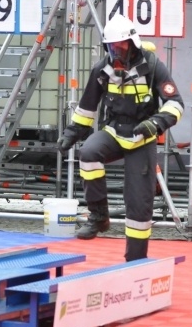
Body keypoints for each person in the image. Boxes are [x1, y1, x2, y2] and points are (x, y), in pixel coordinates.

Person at [58, 14, 184, 262]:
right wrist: (71, 133)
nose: (116, 51)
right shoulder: (102, 69)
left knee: (139, 203)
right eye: (112, 46)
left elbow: (175, 104)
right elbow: (86, 108)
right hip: (114, 131)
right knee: (89, 153)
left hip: (142, 138)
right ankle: (98, 216)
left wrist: (155, 124)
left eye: (121, 46)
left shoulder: (153, 65)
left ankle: (135, 262)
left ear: (133, 43)